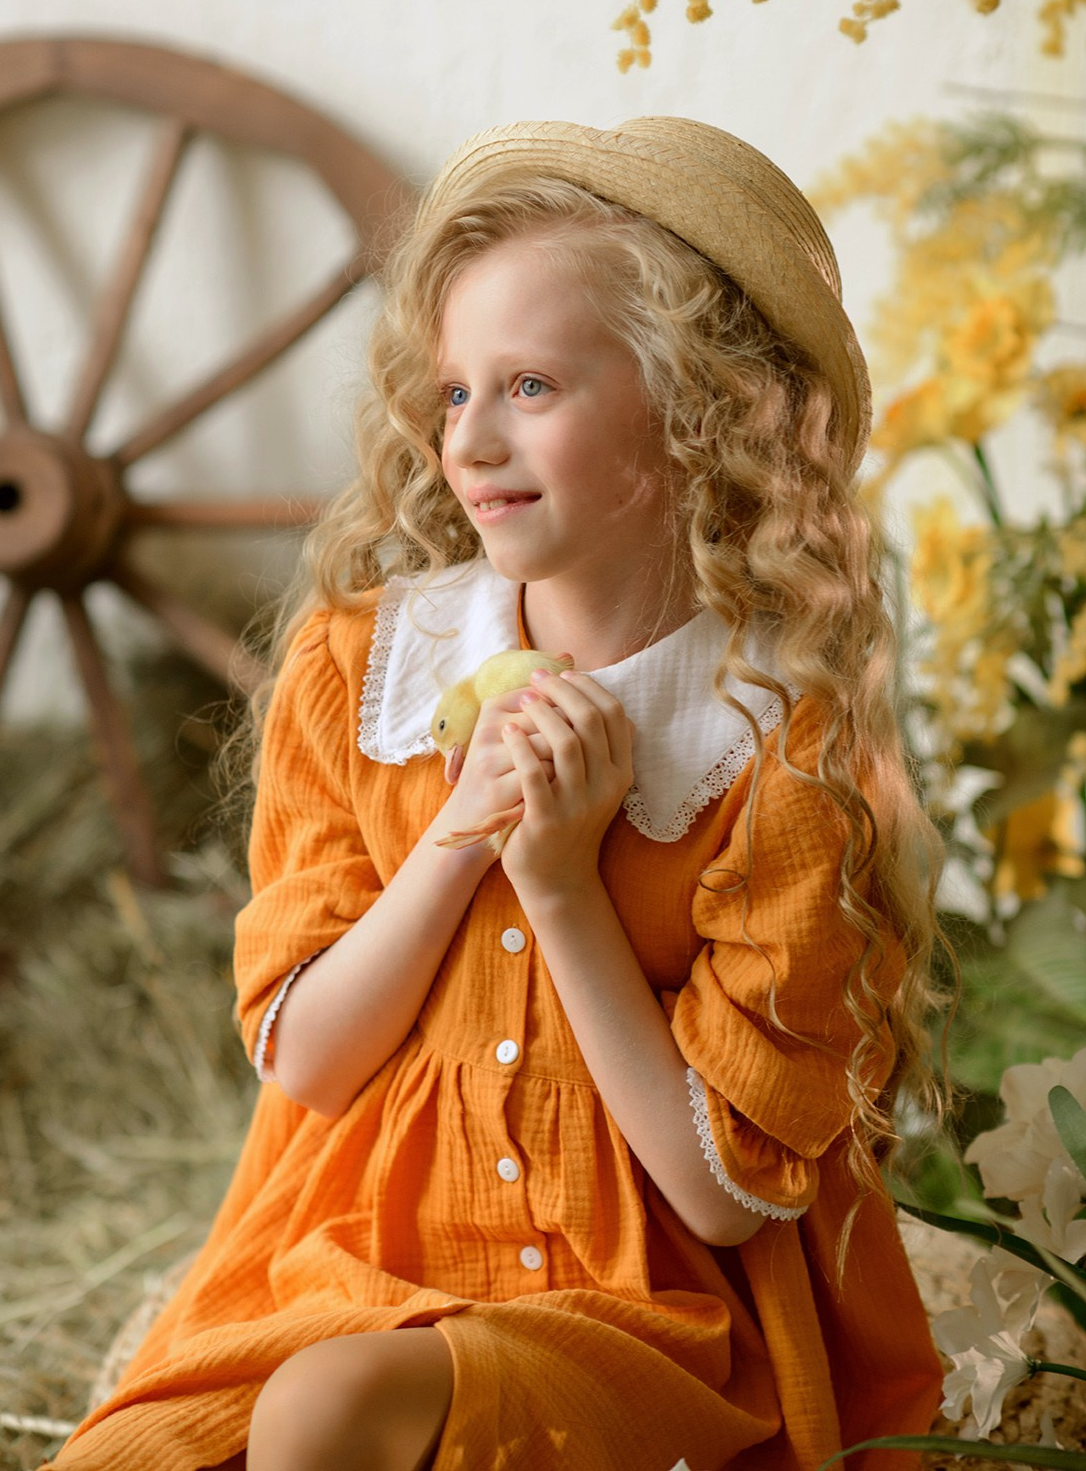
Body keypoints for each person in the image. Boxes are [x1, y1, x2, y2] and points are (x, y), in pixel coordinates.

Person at [51, 118, 945, 1471]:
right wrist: (462, 839)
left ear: (695, 409)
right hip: (343, 1272)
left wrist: (559, 883)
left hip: (642, 1322)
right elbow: (306, 1059)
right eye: (455, 390)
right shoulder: (365, 671)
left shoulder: (773, 741)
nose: (471, 439)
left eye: (530, 385)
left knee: (329, 1415)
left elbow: (717, 1200)